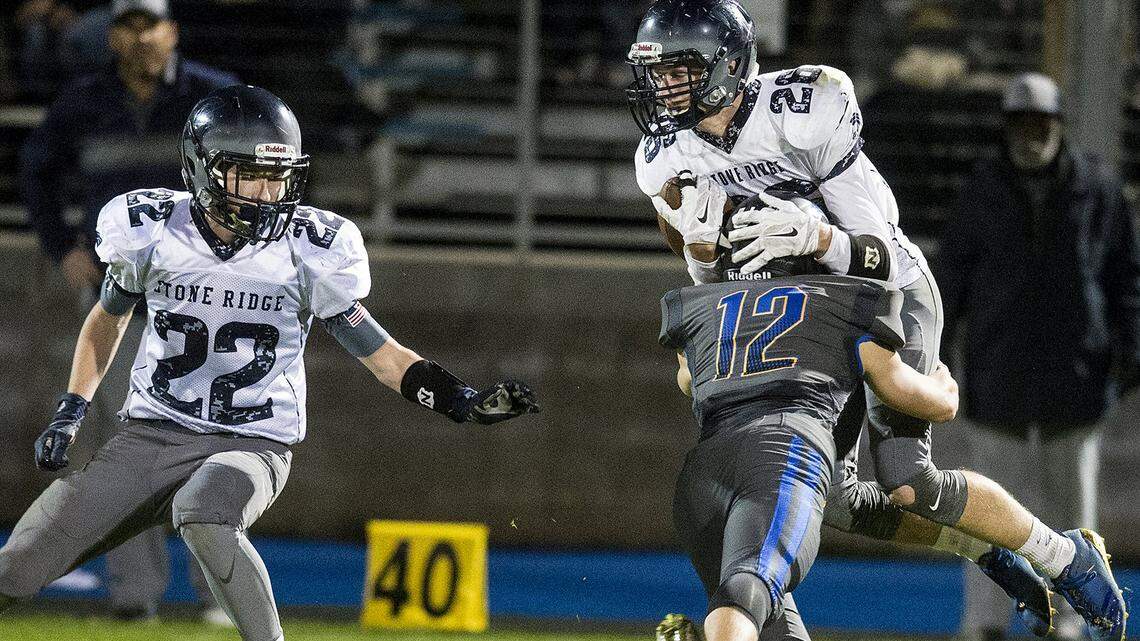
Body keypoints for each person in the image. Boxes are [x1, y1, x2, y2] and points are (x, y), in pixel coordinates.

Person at [626, 2, 1126, 640]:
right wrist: (699, 250)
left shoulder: (806, 108)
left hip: (885, 289)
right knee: (829, 498)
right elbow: (713, 276)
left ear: (727, 65)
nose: (661, 87)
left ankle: (1064, 555)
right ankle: (985, 549)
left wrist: (814, 236)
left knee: (908, 480)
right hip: (805, 305)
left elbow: (885, 255)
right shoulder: (666, 154)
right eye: (654, 71)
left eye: (678, 69)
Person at [0, 85, 541, 641]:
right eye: (250, 174)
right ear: (203, 169)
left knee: (206, 514)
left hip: (251, 443)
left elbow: (382, 354)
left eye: (279, 175)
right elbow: (106, 319)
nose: (269, 191)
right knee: (14, 571)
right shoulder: (155, 229)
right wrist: (72, 410)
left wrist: (461, 401)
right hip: (151, 435)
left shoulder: (308, 247)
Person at [17, 0, 240, 621]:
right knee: (121, 448)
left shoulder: (214, 98)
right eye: (129, 25)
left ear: (174, 31)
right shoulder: (82, 102)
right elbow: (36, 171)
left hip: (206, 304)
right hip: (118, 303)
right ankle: (134, 596)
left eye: (151, 23)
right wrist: (62, 246)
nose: (141, 37)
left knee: (213, 445)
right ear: (113, 36)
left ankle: (220, 593)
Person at [657, 207, 959, 641]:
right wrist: (946, 395)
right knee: (749, 590)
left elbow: (688, 380)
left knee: (769, 621)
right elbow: (902, 391)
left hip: (701, 479)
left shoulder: (700, 303)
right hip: (782, 459)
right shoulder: (842, 297)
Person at [939, 72, 1140, 641]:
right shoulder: (980, 189)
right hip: (998, 375)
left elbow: (1126, 276)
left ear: (1058, 125)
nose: (1031, 134)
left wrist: (1131, 352)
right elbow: (950, 278)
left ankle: (1076, 621)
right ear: (1006, 128)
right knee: (982, 515)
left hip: (1075, 380)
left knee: (1076, 517)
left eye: (1041, 123)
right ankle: (982, 622)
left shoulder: (1098, 189)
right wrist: (935, 350)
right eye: (1021, 123)